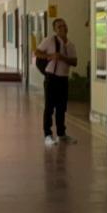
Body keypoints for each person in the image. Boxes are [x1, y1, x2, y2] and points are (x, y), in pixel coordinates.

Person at [37, 18, 79, 146]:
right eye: (59, 26)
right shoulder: (50, 40)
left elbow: (74, 62)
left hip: (63, 78)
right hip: (52, 77)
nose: (62, 28)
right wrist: (50, 56)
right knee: (49, 107)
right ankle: (48, 135)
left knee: (62, 107)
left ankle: (61, 134)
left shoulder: (70, 44)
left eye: (64, 25)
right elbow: (37, 52)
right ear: (55, 29)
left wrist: (62, 57)